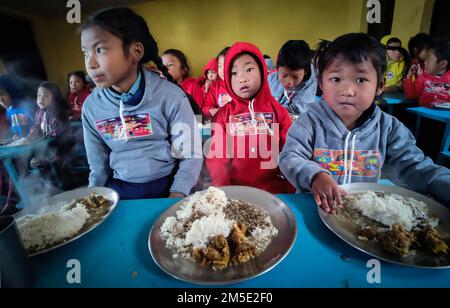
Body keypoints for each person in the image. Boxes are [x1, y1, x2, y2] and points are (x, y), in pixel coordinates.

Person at [279, 33, 450, 212]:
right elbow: (289, 158)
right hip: (312, 210)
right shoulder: (310, 122)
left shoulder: (389, 129)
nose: (347, 90)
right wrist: (315, 176)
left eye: (360, 80)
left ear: (380, 85)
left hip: (362, 218)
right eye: (336, 79)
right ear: (321, 83)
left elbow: (418, 168)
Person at [80, 7, 203, 199]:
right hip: (120, 196)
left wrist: (177, 194)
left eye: (100, 50)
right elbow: (97, 166)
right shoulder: (91, 107)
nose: (91, 63)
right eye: (86, 53)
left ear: (135, 52)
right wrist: (94, 199)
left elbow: (191, 155)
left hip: (169, 191)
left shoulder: (169, 96)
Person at [206, 41, 295, 194]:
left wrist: (290, 189)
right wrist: (224, 192)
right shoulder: (223, 116)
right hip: (235, 192)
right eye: (234, 73)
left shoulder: (279, 112)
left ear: (262, 71)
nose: (242, 78)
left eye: (249, 69)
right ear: (227, 79)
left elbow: (290, 153)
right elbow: (217, 160)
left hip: (273, 191)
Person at [268, 40, 318, 114]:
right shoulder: (270, 80)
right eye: (284, 75)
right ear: (277, 68)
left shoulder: (309, 85)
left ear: (305, 72)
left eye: (295, 77)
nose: (289, 82)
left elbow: (299, 109)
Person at [404, 38, 450, 108]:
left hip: (444, 118)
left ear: (443, 64)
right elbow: (410, 96)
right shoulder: (423, 77)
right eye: (425, 60)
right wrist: (409, 77)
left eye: (429, 60)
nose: (425, 63)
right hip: (422, 117)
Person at [202, 47, 233, 118]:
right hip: (221, 122)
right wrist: (210, 110)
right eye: (219, 66)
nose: (222, 70)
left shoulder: (242, 85)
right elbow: (205, 107)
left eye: (226, 65)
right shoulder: (215, 87)